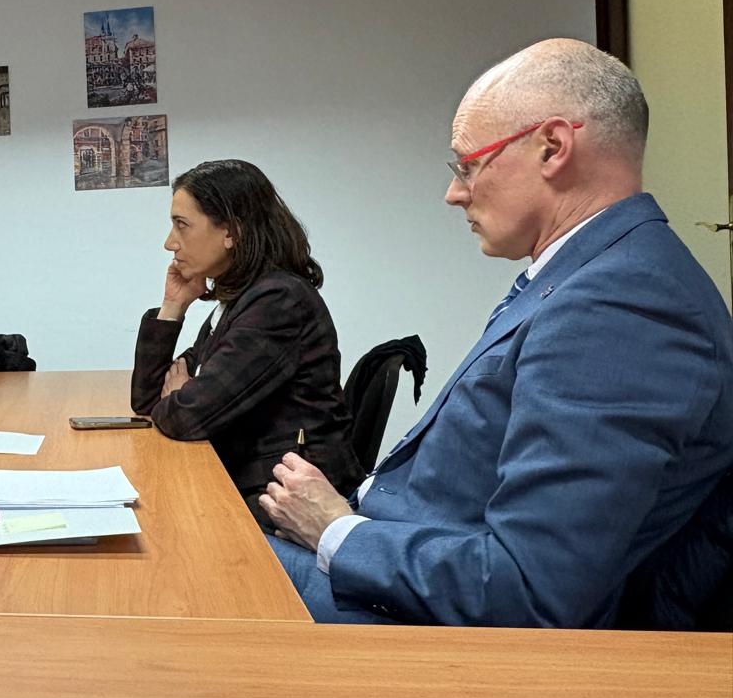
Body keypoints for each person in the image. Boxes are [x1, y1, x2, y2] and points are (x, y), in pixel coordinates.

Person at [263, 39, 733, 627]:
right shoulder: (592, 273)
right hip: (402, 568)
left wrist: (336, 531)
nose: (454, 192)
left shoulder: (624, 304)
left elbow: (528, 589)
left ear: (553, 147)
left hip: (433, 631)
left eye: (467, 165)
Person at [131, 160, 362, 522]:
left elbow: (184, 417)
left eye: (182, 225)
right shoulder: (238, 301)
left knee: (157, 525)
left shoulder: (278, 302)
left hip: (285, 503)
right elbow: (147, 401)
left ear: (231, 232)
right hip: (251, 483)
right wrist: (173, 306)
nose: (169, 242)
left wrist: (180, 396)